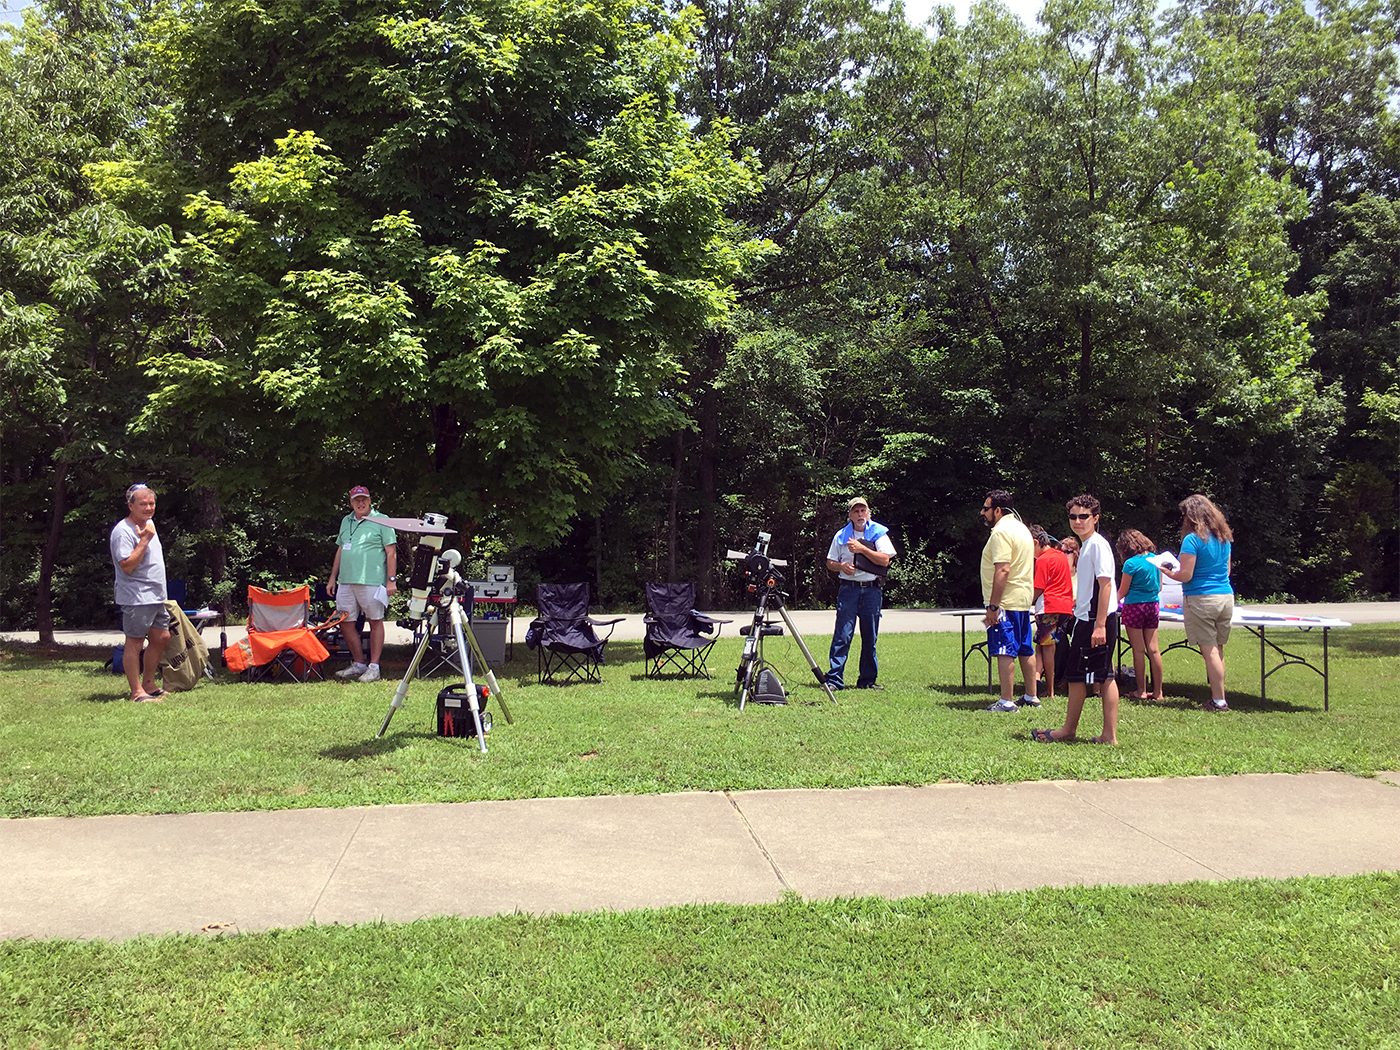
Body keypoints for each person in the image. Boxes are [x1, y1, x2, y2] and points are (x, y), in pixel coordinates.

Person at [1032, 495, 1120, 744]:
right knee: (1097, 675)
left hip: (1095, 621)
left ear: (1096, 518)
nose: (1078, 521)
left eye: (1084, 516)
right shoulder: (1087, 545)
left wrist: (1100, 624)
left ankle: (1073, 731)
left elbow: (1105, 586)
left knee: (1085, 676)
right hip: (1087, 619)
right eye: (1073, 516)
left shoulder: (1097, 545)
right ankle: (1102, 735)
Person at [1161, 494, 1234, 712]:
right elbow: (1227, 571)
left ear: (1191, 516)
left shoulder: (1192, 540)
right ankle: (1219, 694)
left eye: (1184, 515)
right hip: (1225, 596)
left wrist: (1166, 571)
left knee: (1209, 649)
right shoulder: (1224, 538)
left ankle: (1219, 701)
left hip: (1201, 598)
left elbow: (1185, 575)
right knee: (1218, 649)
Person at [327, 485, 398, 683]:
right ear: (351, 502)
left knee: (375, 621)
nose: (360, 503)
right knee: (345, 622)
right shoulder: (345, 521)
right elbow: (341, 549)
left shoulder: (382, 520)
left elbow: (391, 552)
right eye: (356, 500)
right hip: (346, 581)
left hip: (372, 581)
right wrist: (333, 577)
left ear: (370, 500)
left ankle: (374, 667)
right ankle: (359, 664)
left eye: (364, 499)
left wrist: (391, 580)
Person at [825, 497, 896, 690]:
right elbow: (830, 562)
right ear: (850, 515)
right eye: (856, 511)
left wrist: (862, 549)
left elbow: (884, 560)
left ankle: (867, 680)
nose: (860, 515)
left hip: (871, 589)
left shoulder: (879, 533)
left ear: (869, 513)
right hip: (848, 589)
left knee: (870, 637)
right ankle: (834, 680)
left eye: (863, 511)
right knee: (842, 635)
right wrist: (841, 566)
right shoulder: (841, 535)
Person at [978, 490, 1038, 712]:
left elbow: (1002, 569)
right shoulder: (1022, 529)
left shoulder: (1001, 532)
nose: (982, 513)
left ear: (998, 510)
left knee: (1004, 649)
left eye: (986, 508)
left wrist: (993, 606)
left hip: (1005, 600)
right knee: (1025, 647)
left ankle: (1006, 701)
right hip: (1023, 599)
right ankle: (1031, 696)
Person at [110, 483, 170, 702]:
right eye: (143, 504)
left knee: (162, 637)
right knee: (134, 642)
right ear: (130, 506)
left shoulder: (149, 523)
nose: (148, 507)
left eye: (151, 503)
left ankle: (149, 684)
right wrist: (144, 539)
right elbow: (126, 565)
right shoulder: (122, 532)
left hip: (155, 595)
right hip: (137, 596)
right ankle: (137, 692)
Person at [1117, 528, 1164, 701]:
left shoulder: (1131, 564)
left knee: (1138, 650)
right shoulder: (1156, 560)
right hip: (1153, 605)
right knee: (1154, 650)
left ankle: (1141, 691)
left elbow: (1123, 591)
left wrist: (1110, 602)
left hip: (1134, 607)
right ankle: (1158, 692)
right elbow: (1159, 587)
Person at [1030, 527, 1073, 700]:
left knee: (1048, 648)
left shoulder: (1042, 560)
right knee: (1042, 645)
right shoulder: (1061, 555)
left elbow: (1039, 587)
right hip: (1065, 607)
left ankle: (1050, 691)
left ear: (1035, 543)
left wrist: (1027, 601)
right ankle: (1036, 679)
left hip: (1048, 606)